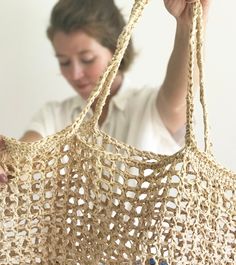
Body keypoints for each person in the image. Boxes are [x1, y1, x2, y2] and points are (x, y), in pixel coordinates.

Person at [0, 0, 210, 184]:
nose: (75, 73)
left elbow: (180, 97)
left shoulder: (150, 109)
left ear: (116, 48)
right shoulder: (55, 116)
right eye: (63, 62)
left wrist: (187, 26)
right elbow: (24, 156)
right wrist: (7, 161)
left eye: (87, 59)